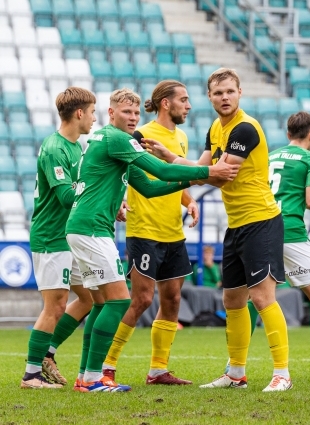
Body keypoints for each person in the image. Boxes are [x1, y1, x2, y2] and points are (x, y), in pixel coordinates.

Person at [65, 88, 236, 393]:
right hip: (96, 228)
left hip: (91, 228)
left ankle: (87, 375)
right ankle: (93, 376)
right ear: (111, 113)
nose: (132, 118)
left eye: (135, 113)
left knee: (104, 303)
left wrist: (191, 183)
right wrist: (209, 171)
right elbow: (158, 168)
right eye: (126, 113)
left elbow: (150, 186)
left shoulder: (112, 141)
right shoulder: (118, 139)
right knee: (121, 300)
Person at [143, 68, 293, 392]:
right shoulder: (215, 127)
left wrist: (170, 159)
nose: (224, 98)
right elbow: (201, 171)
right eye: (218, 93)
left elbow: (220, 174)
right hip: (236, 223)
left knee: (263, 297)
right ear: (209, 97)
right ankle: (236, 373)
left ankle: (282, 373)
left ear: (240, 93)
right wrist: (174, 162)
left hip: (261, 221)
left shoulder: (244, 129)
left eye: (229, 91)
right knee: (232, 299)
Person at [102, 81, 201, 386]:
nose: (188, 105)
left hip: (173, 231)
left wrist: (189, 200)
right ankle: (107, 365)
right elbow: (128, 173)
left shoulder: (181, 137)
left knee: (171, 299)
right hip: (144, 228)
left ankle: (158, 370)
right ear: (166, 104)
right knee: (141, 299)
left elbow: (176, 177)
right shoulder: (140, 135)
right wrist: (118, 198)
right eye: (183, 100)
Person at [22, 87, 105, 389]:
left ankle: (47, 352)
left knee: (90, 297)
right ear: (79, 113)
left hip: (68, 238)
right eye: (93, 112)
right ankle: (31, 375)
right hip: (51, 237)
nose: (95, 118)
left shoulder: (75, 148)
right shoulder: (56, 147)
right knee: (55, 306)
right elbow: (65, 196)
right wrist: (98, 194)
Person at [265, 111, 310, 378]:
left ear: (288, 133)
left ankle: (235, 365)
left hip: (261, 230)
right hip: (290, 230)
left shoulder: (269, 156)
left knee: (255, 298)